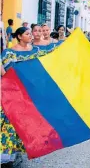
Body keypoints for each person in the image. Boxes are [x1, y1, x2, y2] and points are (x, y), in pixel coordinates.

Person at [1, 27, 41, 167]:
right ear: (19, 36)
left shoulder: (34, 51)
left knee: (24, 124)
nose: (30, 36)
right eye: (27, 34)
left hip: (28, 93)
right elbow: (3, 70)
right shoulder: (9, 53)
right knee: (9, 123)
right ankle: (7, 155)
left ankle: (17, 153)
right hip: (12, 92)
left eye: (31, 33)